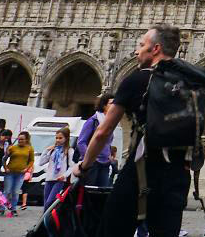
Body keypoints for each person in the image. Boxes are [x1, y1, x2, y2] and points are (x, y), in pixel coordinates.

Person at [77, 24, 196, 237]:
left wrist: (84, 166)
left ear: (156, 49)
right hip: (176, 176)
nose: (136, 51)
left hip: (141, 171)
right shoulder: (191, 83)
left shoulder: (137, 79)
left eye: (141, 45)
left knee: (111, 229)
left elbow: (103, 131)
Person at [76, 94, 115, 189]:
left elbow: (107, 143)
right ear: (104, 105)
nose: (114, 106)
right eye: (111, 103)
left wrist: (109, 155)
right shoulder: (93, 121)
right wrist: (89, 159)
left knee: (103, 191)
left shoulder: (109, 122)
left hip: (105, 163)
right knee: (88, 191)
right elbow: (81, 142)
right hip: (92, 164)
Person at [41, 127, 77, 209]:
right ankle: (45, 217)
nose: (58, 140)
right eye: (56, 138)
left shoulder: (69, 151)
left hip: (59, 180)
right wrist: (46, 150)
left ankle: (48, 216)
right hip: (49, 178)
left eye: (60, 138)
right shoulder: (53, 150)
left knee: (50, 202)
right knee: (46, 203)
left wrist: (64, 176)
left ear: (66, 138)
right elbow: (41, 162)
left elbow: (72, 166)